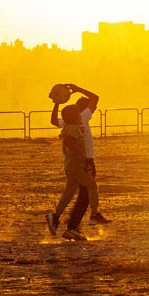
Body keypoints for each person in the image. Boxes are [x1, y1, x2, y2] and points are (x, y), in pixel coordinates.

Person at [45, 103, 99, 241]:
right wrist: (82, 158)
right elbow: (69, 142)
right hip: (76, 165)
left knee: (69, 192)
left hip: (70, 165)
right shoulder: (74, 128)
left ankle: (55, 217)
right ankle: (94, 215)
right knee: (91, 186)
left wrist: (57, 102)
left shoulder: (69, 126)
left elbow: (56, 124)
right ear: (76, 116)